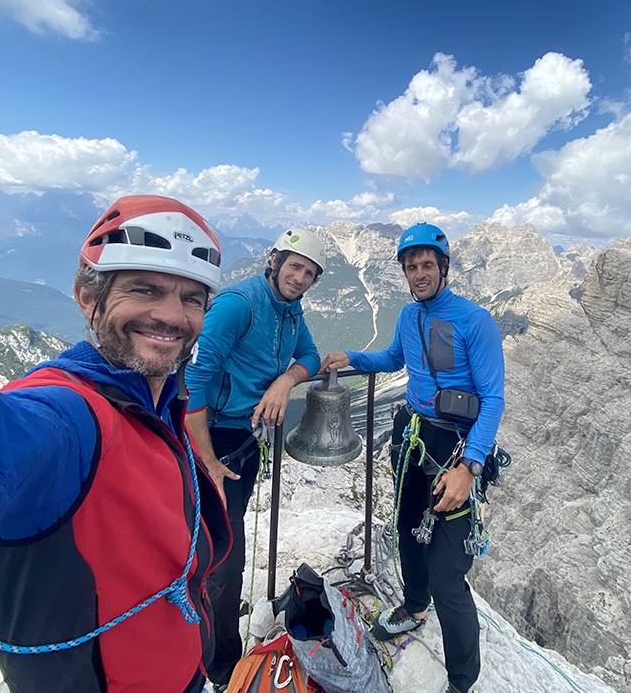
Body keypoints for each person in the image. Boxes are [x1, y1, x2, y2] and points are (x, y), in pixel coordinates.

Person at [0, 195, 233, 693]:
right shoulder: (67, 421)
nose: (173, 316)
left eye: (192, 298)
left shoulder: (157, 404)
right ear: (88, 298)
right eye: (145, 289)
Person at [320, 222, 505, 693]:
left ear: (443, 268)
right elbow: (395, 359)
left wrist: (470, 468)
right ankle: (415, 607)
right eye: (410, 266)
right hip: (414, 438)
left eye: (426, 265)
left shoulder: (474, 320)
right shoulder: (408, 315)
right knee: (406, 531)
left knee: (449, 573)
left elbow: (493, 398)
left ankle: (462, 681)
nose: (418, 273)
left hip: (457, 449)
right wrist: (352, 358)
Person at [185, 227, 326, 690]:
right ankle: (218, 664)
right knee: (224, 553)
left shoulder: (289, 310)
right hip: (214, 439)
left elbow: (308, 352)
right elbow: (195, 380)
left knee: (230, 533)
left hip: (240, 440)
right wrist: (206, 459)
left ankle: (217, 623)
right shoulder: (238, 305)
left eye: (309, 272)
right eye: (295, 266)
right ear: (275, 261)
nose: (301, 277)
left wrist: (285, 382)